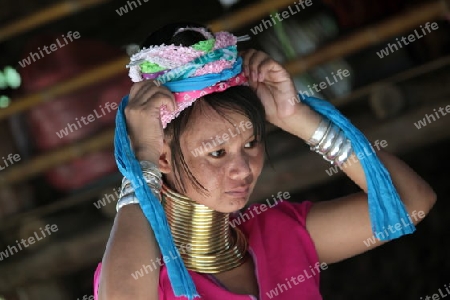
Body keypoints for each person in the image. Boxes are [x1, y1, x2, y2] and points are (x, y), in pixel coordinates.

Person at [94, 22, 436, 300]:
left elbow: (411, 203)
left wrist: (296, 116)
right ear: (163, 157)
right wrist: (141, 161)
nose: (244, 169)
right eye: (217, 152)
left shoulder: (278, 234)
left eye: (252, 143)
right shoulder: (145, 275)